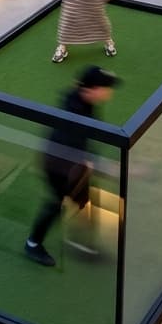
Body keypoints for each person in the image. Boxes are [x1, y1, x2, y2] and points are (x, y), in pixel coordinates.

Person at [24, 65, 119, 267]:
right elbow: (77, 146)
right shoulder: (75, 114)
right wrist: (108, 167)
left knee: (83, 200)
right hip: (58, 166)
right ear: (91, 89)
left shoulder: (85, 101)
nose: (109, 91)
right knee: (56, 203)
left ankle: (82, 242)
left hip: (73, 163)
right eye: (105, 87)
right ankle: (32, 244)